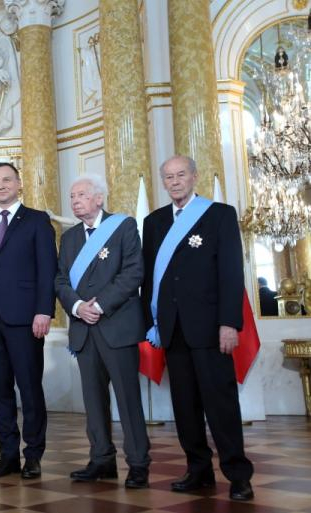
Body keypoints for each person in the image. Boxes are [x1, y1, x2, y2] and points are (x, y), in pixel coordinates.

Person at [142, 155, 254, 501]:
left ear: (195, 176)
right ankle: (198, 470)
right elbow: (149, 278)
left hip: (210, 328)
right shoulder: (154, 221)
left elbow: (232, 273)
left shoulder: (218, 215)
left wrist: (229, 324)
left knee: (220, 405)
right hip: (172, 330)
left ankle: (238, 475)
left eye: (180, 175)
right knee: (185, 406)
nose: (174, 182)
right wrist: (152, 325)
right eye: (169, 177)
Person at [55, 175, 151, 489]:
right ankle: (101, 459)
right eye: (72, 196)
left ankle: (138, 463)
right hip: (83, 329)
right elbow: (60, 281)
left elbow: (134, 271)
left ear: (99, 198)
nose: (75, 200)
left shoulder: (123, 227)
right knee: (94, 401)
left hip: (117, 326)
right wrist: (78, 306)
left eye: (81, 194)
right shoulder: (68, 238)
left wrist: (100, 305)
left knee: (127, 399)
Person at [0, 162, 57, 479]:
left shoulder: (37, 220)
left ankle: (33, 455)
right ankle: (8, 456)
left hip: (26, 319)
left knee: (30, 388)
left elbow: (48, 269)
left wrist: (44, 310)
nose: (1, 185)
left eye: (7, 179)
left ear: (19, 183)